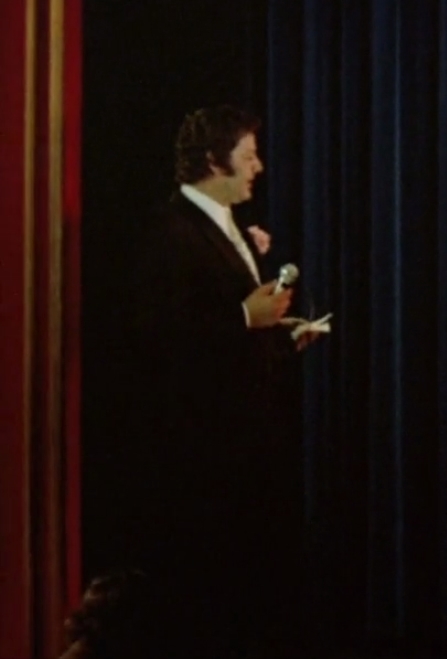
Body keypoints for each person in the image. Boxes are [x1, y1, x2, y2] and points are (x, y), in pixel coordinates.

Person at [119, 104, 322, 657]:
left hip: (248, 444)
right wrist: (244, 319)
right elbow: (158, 337)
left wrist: (281, 337)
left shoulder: (229, 227)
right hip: (205, 453)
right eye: (248, 156)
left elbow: (230, 329)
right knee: (210, 593)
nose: (259, 167)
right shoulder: (170, 232)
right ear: (214, 160)